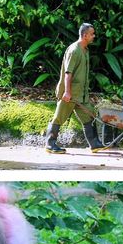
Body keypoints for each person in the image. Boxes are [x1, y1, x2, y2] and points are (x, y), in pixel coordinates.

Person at [45, 23, 103, 153]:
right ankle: (50, 144)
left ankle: (94, 143)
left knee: (89, 115)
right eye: (92, 34)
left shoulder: (85, 50)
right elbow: (68, 73)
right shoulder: (74, 50)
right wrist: (67, 92)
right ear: (85, 35)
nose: (94, 36)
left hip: (81, 94)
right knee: (59, 117)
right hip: (70, 94)